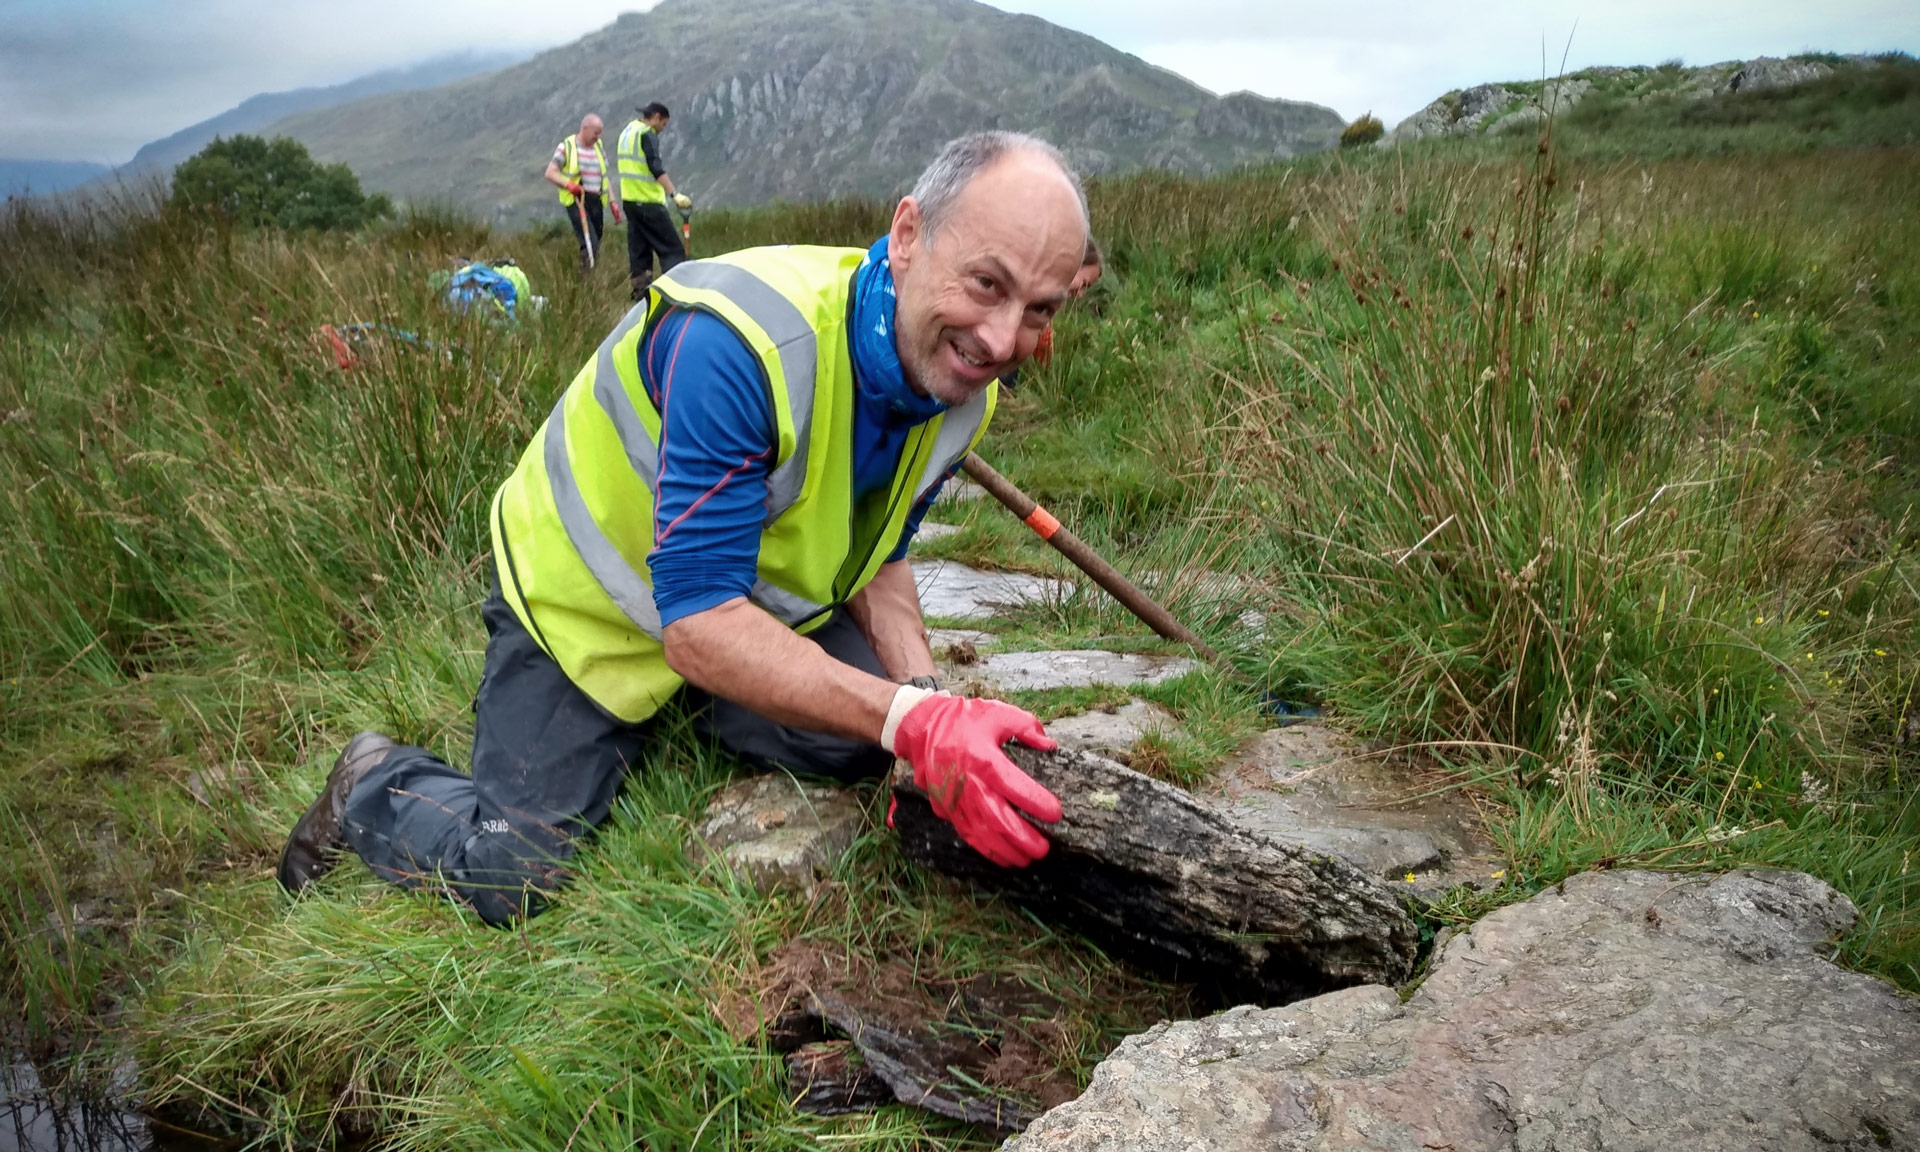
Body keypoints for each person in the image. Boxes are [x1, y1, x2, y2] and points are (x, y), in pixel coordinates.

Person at [278, 132, 1091, 925]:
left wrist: (923, 708)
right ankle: (372, 779)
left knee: (872, 746)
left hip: (731, 598)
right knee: (515, 874)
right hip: (589, 603)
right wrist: (911, 720)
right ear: (908, 234)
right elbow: (699, 626)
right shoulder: (741, 345)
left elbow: (881, 560)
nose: (999, 341)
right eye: (987, 284)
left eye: (1039, 309)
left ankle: (697, 709)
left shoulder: (959, 386)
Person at [616, 102, 696, 300]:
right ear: (657, 117)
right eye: (664, 124)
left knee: (640, 251)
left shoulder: (628, 132)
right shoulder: (646, 134)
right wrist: (674, 194)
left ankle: (640, 297)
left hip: (630, 202)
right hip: (648, 202)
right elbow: (655, 166)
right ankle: (677, 294)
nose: (662, 129)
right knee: (672, 250)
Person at [545, 114, 610, 271]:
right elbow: (550, 172)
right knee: (589, 243)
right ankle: (585, 283)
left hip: (597, 200)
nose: (598, 137)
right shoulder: (567, 146)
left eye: (600, 133)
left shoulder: (599, 146)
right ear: (585, 128)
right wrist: (568, 185)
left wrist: (613, 202)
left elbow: (604, 174)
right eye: (596, 133)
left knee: (596, 243)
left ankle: (591, 277)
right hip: (577, 199)